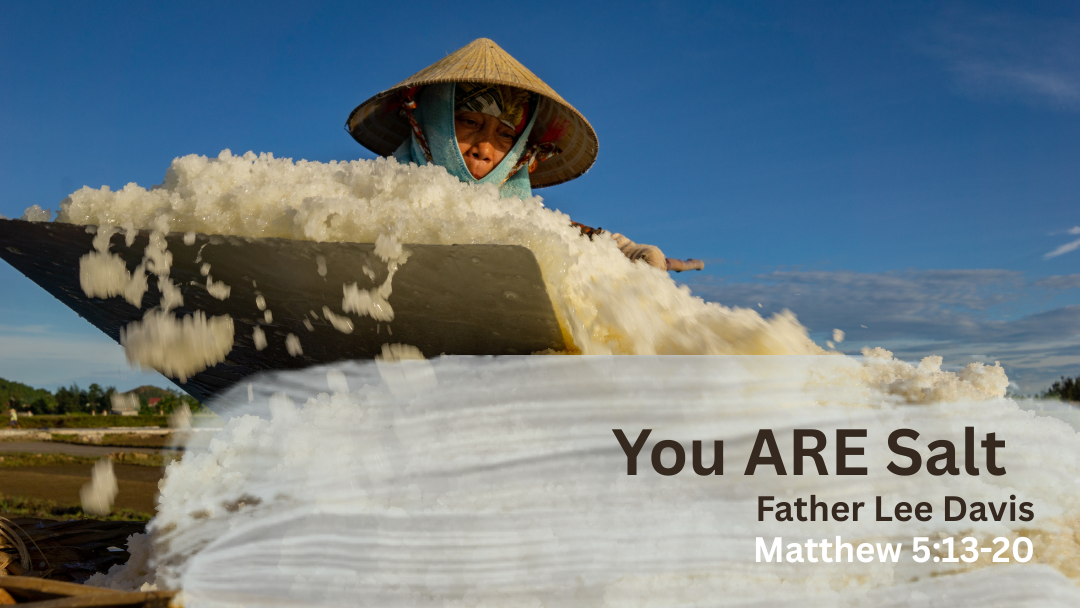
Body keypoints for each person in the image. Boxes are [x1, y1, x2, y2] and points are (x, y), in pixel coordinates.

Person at [345, 38, 702, 272]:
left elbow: (579, 236)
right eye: (469, 121)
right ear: (428, 120)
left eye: (505, 136)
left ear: (520, 148)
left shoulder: (520, 220)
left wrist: (634, 254)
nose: (485, 149)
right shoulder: (365, 195)